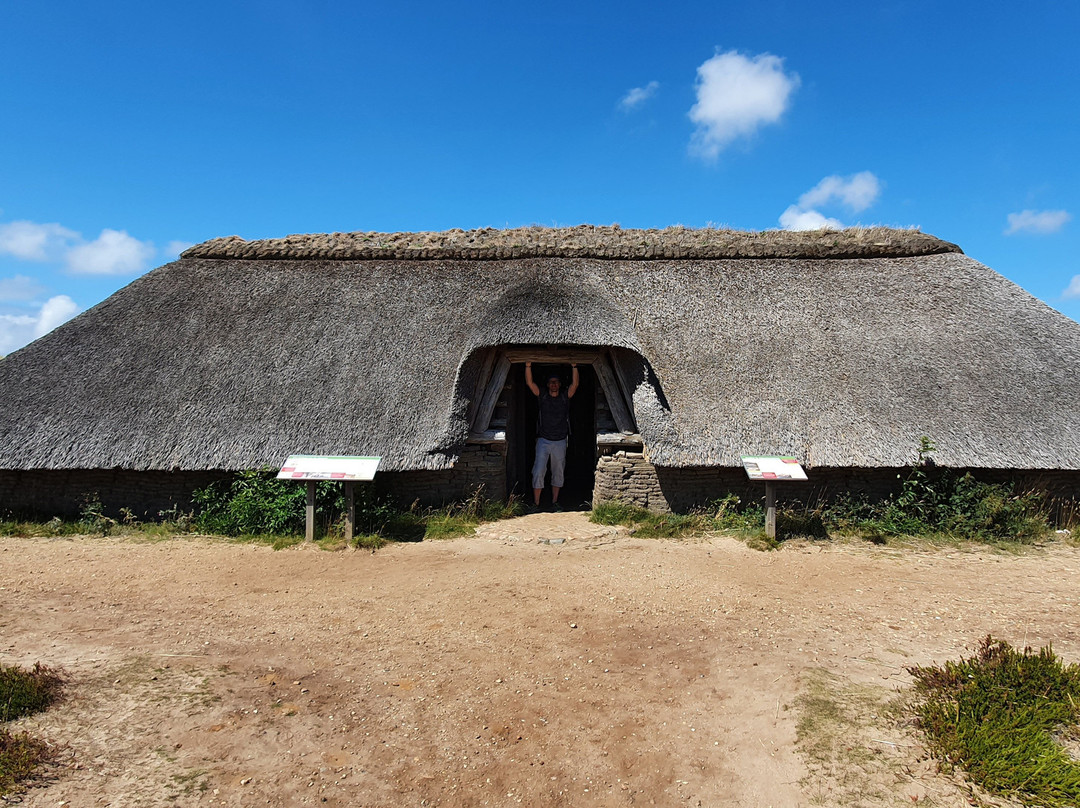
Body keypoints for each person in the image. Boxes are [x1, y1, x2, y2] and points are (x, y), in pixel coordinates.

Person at [525, 361, 579, 510]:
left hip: (560, 440)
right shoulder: (542, 396)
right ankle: (536, 503)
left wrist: (574, 367)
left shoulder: (564, 397)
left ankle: (555, 502)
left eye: (556, 382)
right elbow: (530, 383)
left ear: (560, 384)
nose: (554, 384)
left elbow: (575, 385)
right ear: (548, 385)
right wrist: (527, 365)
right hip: (543, 440)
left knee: (558, 471)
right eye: (551, 382)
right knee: (538, 471)